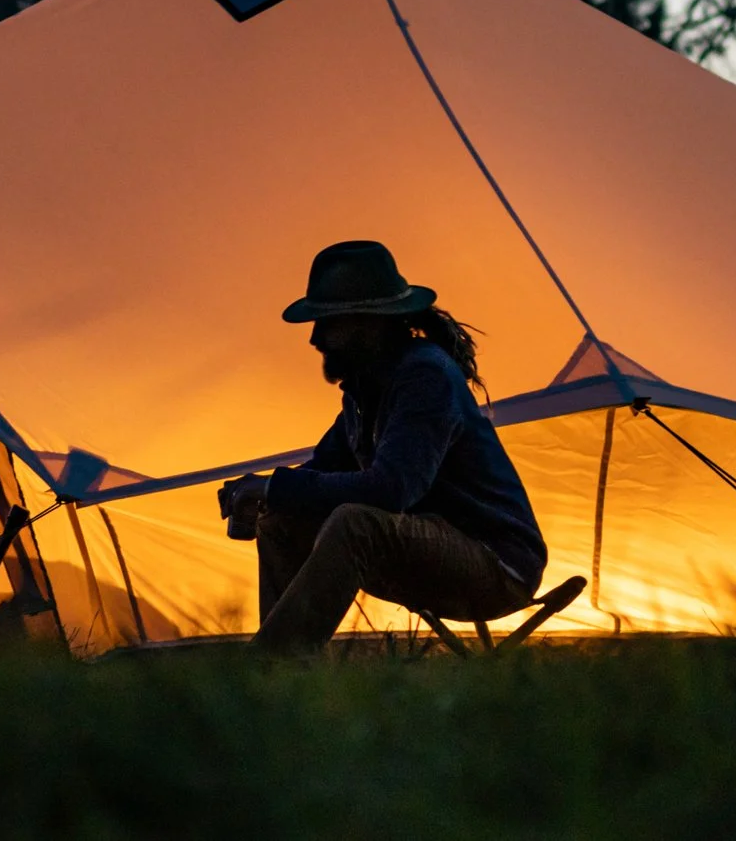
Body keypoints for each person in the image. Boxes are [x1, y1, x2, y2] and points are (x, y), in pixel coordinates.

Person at [219, 240, 546, 652]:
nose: (315, 339)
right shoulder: (365, 390)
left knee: (355, 522)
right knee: (282, 516)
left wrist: (273, 486)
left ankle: (269, 667)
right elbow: (319, 472)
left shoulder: (424, 377)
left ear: (368, 323)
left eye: (328, 323)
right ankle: (287, 684)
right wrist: (261, 492)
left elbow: (393, 489)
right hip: (432, 550)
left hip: (496, 565)